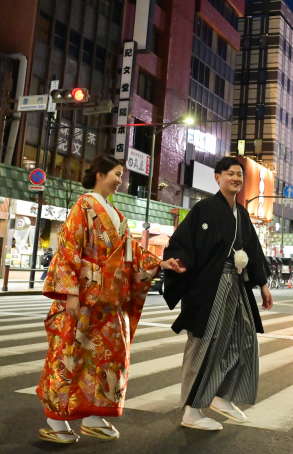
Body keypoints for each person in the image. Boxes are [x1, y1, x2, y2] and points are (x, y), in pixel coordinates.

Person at [36, 155, 185, 444]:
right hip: (85, 296)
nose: (120, 180)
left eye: (121, 175)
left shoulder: (116, 215)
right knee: (71, 356)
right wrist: (70, 294)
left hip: (110, 303)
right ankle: (56, 421)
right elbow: (68, 249)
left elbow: (131, 255)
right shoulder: (84, 206)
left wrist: (161, 264)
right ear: (100, 174)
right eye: (117, 173)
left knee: (108, 360)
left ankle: (93, 414)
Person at [163, 157, 273, 431]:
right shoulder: (204, 209)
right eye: (230, 174)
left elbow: (254, 250)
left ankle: (221, 395)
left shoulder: (242, 213)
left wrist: (263, 283)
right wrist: (177, 262)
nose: (235, 178)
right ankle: (191, 409)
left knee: (244, 337)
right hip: (209, 286)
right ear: (217, 177)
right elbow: (182, 243)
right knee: (206, 343)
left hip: (235, 284)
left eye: (239, 175)